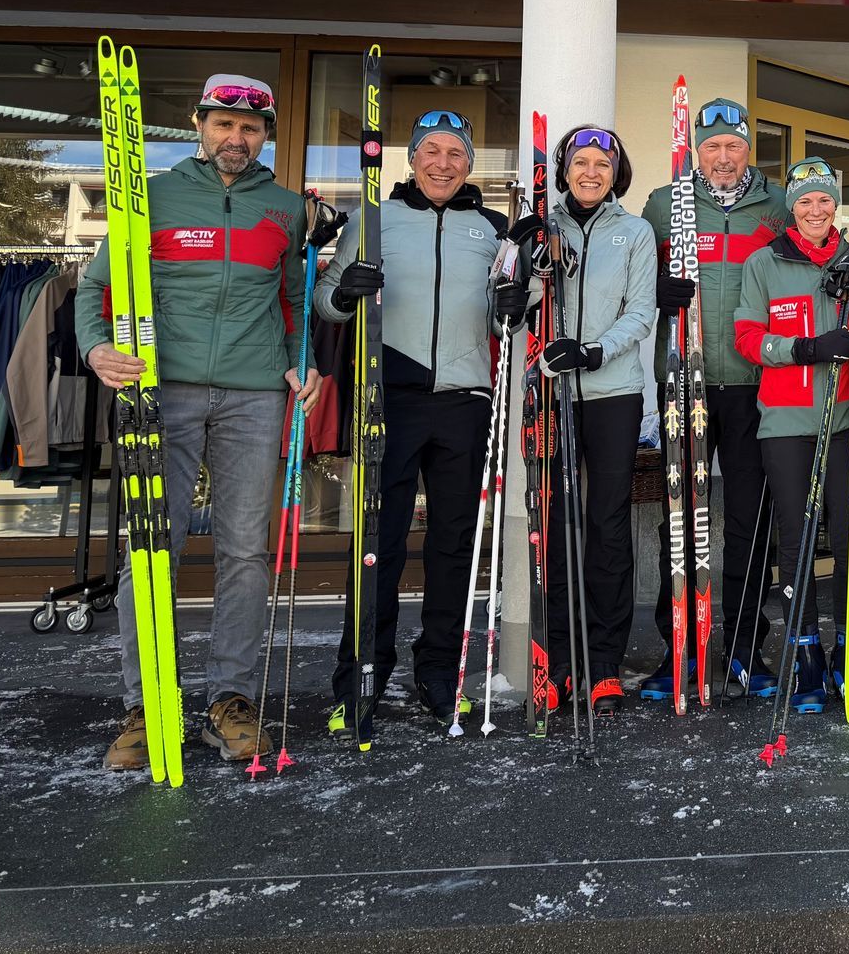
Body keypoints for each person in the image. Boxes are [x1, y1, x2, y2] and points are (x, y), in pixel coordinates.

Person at [80, 74, 318, 771]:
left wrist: (308, 362)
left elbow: (297, 302)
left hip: (254, 394)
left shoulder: (285, 211)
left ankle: (231, 700)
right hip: (162, 389)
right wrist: (96, 347)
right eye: (222, 124)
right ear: (198, 124)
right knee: (153, 549)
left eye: (249, 128)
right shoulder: (147, 197)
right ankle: (144, 703)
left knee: (245, 550)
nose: (235, 138)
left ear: (266, 134)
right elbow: (98, 289)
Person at [314, 110, 525, 729]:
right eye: (430, 151)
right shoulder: (372, 220)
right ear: (411, 159)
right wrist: (346, 289)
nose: (441, 163)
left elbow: (503, 317)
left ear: (468, 164)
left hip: (465, 401)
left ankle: (439, 671)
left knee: (453, 543)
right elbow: (327, 302)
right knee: (377, 542)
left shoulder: (492, 229)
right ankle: (362, 676)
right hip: (390, 397)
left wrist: (514, 303)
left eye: (455, 153)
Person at [732, 159, 849, 711]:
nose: (815, 210)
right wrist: (808, 348)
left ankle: (848, 647)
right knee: (795, 541)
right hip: (788, 423)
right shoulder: (764, 263)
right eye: (805, 201)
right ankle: (805, 650)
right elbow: (747, 337)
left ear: (835, 206)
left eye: (824, 201)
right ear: (791, 207)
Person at [637, 97, 786, 700]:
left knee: (751, 522)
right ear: (696, 149)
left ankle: (747, 649)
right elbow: (629, 276)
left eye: (735, 146)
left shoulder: (776, 205)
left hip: (757, 385)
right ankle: (680, 650)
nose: (723, 158)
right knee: (683, 520)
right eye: (712, 146)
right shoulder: (663, 203)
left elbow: (810, 258)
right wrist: (657, 288)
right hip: (686, 379)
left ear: (749, 149)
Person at [524, 125, 658, 717]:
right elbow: (513, 303)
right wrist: (525, 269)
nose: (591, 171)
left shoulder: (634, 232)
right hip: (552, 394)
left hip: (612, 390)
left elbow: (640, 311)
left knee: (606, 522)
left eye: (602, 163)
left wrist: (594, 350)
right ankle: (557, 660)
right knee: (554, 523)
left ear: (615, 173)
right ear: (564, 170)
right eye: (580, 161)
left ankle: (603, 663)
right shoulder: (539, 229)